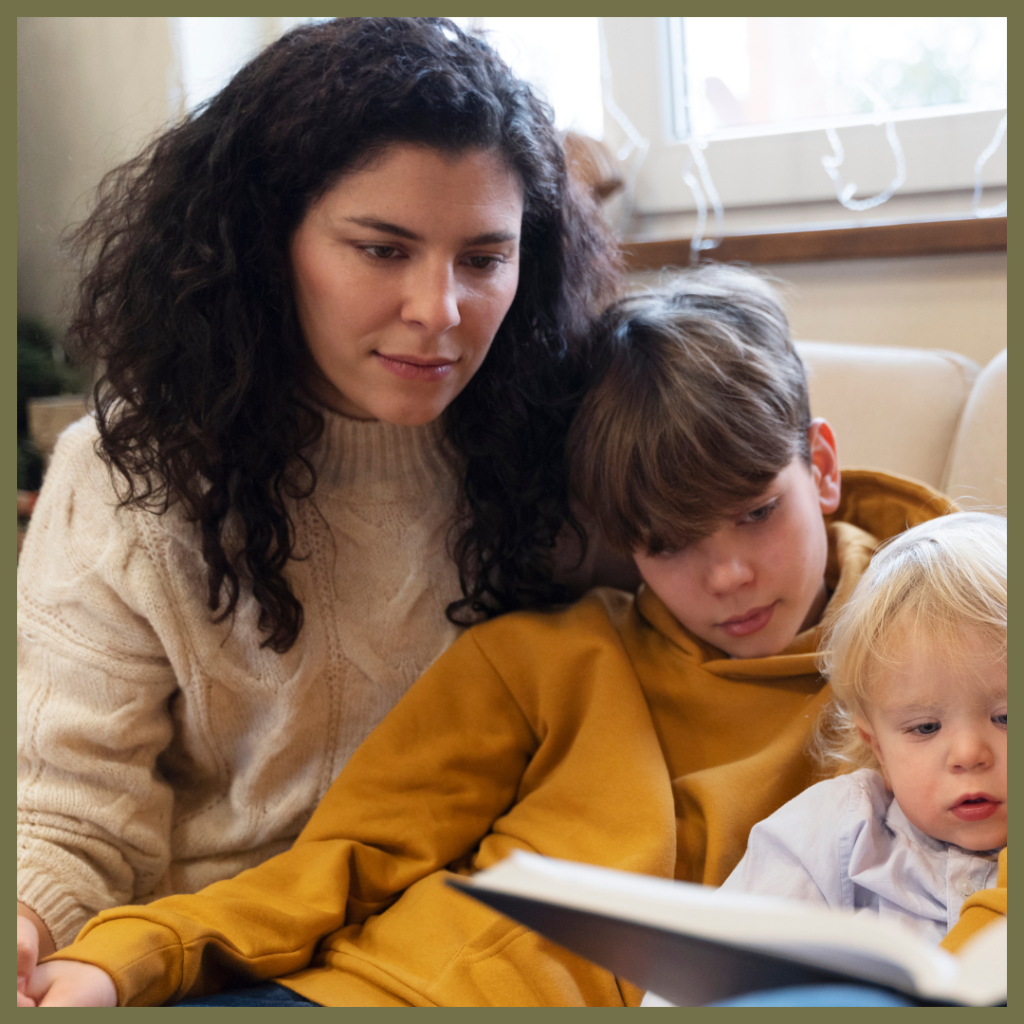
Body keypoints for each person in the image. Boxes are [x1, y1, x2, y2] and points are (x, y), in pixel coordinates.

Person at [23, 266, 992, 1007]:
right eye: (668, 543)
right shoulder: (544, 656)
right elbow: (343, 859)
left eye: (752, 513)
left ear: (818, 466)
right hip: (365, 990)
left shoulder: (955, 660)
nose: (727, 575)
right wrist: (126, 957)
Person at [16, 16, 624, 1001]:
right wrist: (28, 920)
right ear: (264, 243)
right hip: (209, 950)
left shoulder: (557, 438)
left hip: (462, 945)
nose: (440, 310)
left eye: (483, 258)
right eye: (382, 250)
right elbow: (70, 809)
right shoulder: (126, 476)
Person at [644, 512, 1007, 1008]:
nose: (968, 754)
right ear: (876, 745)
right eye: (924, 728)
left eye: (1006, 718)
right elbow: (697, 981)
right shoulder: (840, 832)